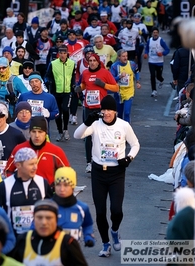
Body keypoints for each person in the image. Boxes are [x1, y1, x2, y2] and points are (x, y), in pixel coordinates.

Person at [73, 95, 140, 257]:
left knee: (116, 210)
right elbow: (77, 135)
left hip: (117, 172)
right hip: (98, 173)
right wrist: (88, 121)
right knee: (101, 212)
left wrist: (129, 158)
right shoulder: (95, 125)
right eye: (104, 109)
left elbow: (135, 144)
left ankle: (115, 231)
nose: (107, 113)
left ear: (115, 111)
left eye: (110, 109)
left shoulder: (124, 126)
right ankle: (105, 244)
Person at [0, 147, 53, 235]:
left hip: (36, 238)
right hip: (13, 240)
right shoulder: (5, 185)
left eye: (36, 163)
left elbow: (53, 208)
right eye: (31, 164)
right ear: (18, 165)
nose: (35, 167)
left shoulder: (42, 183)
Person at [75, 53, 119, 173]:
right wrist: (79, 88)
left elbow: (116, 88)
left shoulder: (105, 73)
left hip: (101, 109)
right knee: (87, 135)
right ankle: (89, 163)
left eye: (94, 60)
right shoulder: (85, 73)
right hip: (88, 107)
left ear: (99, 62)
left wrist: (103, 85)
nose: (92, 62)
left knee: (101, 135)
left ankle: (102, 161)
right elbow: (84, 84)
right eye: (90, 61)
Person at [10, 199, 88, 265]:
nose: (44, 222)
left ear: (56, 220)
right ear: (33, 219)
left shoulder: (67, 242)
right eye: (39, 217)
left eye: (49, 218)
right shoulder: (23, 240)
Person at [5, 116, 70, 185]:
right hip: (24, 193)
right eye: (33, 131)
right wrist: (15, 187)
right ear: (29, 132)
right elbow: (8, 171)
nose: (37, 135)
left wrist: (56, 188)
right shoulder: (19, 149)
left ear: (46, 133)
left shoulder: (56, 151)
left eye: (40, 132)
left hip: (48, 194)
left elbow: (67, 174)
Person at [53, 167, 95, 246]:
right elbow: (34, 225)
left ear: (73, 187)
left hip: (73, 252)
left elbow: (87, 225)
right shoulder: (46, 207)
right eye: (58, 185)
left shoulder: (82, 208)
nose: (62, 189)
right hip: (51, 253)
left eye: (66, 185)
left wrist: (88, 236)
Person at [45, 46, 76, 141]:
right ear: (58, 54)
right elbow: (47, 76)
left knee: (65, 110)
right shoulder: (53, 64)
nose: (62, 55)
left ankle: (66, 129)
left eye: (64, 53)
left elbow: (73, 76)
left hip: (67, 91)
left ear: (67, 53)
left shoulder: (72, 63)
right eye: (61, 53)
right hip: (56, 92)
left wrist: (74, 85)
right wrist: (49, 82)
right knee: (58, 113)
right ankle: (60, 131)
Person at [110, 49, 141, 122]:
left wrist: (137, 82)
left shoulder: (132, 64)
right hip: (119, 92)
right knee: (119, 114)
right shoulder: (114, 66)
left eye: (126, 56)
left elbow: (137, 72)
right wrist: (119, 77)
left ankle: (127, 130)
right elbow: (111, 80)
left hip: (129, 91)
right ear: (119, 57)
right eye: (123, 56)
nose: (125, 58)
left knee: (127, 113)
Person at [143, 27, 170, 97]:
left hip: (159, 62)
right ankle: (154, 90)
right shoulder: (149, 40)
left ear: (158, 33)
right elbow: (147, 49)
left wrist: (162, 53)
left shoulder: (161, 41)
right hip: (151, 61)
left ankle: (161, 80)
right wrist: (146, 54)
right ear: (152, 33)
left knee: (158, 76)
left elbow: (167, 50)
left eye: (156, 33)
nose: (155, 34)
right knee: (152, 75)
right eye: (154, 33)